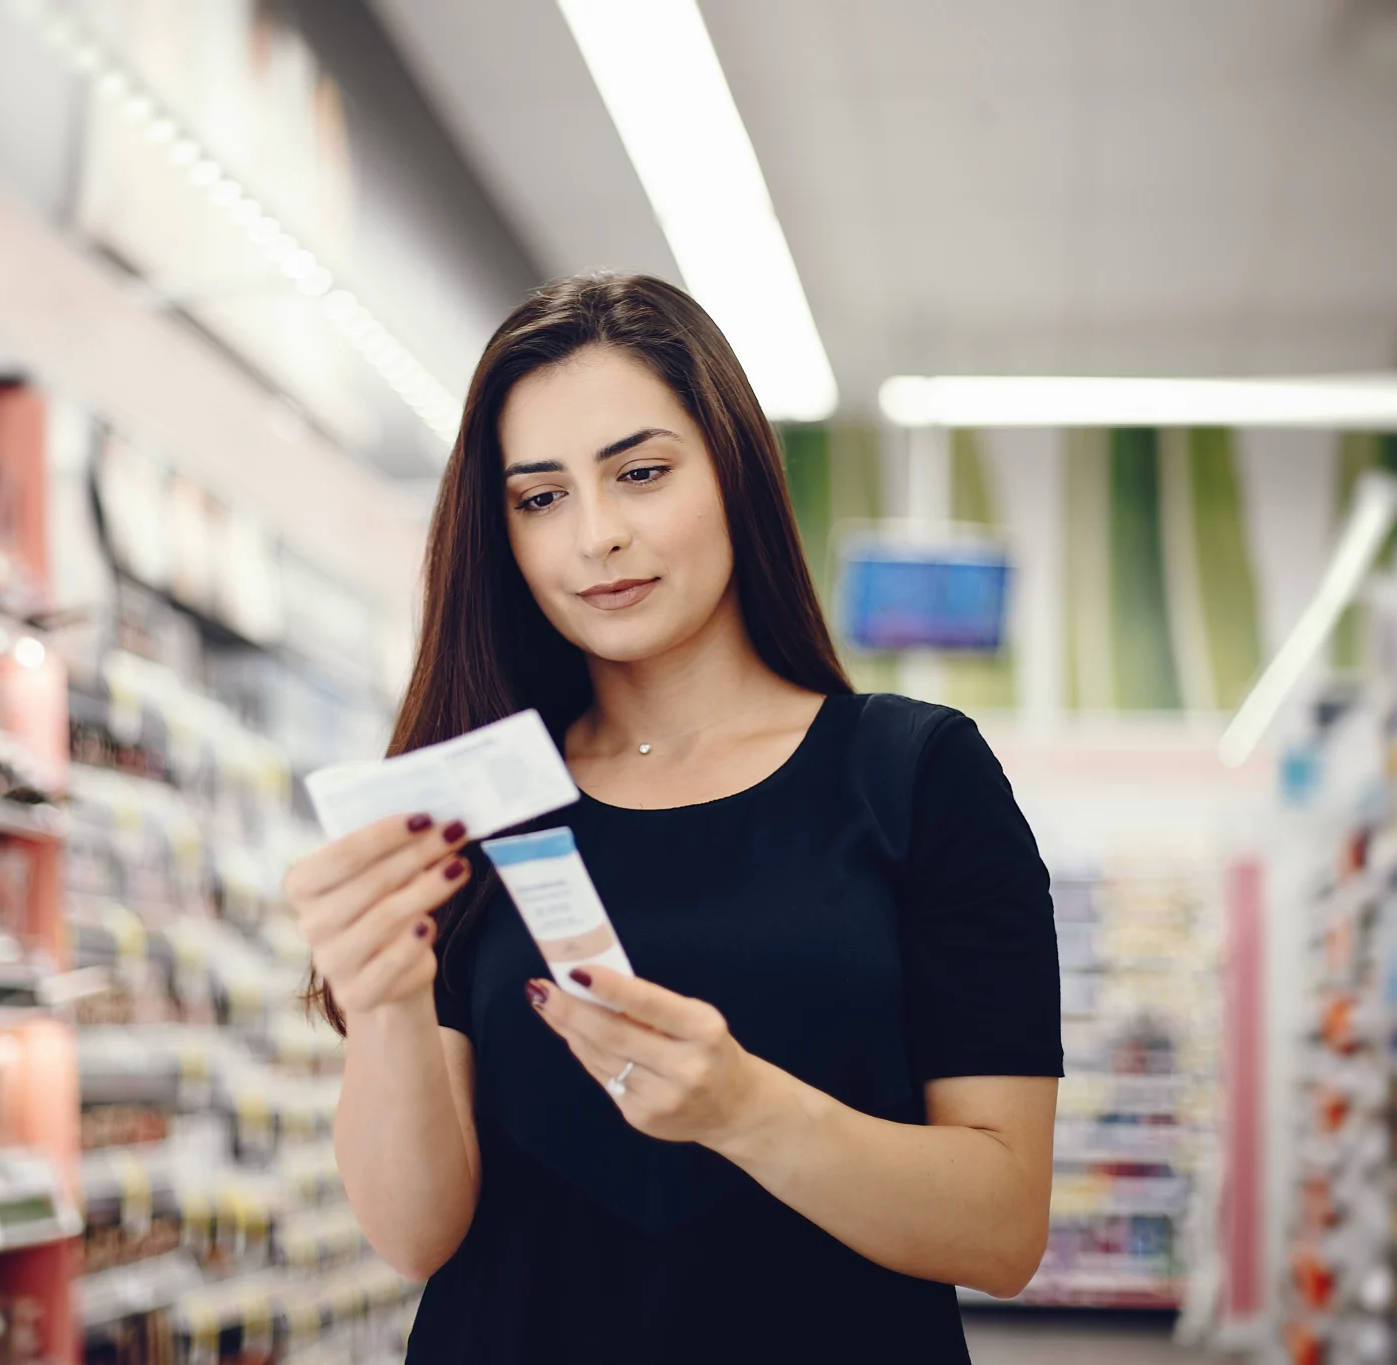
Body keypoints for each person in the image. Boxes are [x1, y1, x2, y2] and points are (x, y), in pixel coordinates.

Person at [286, 273, 1062, 1363]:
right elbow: (415, 1235)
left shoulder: (914, 777)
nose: (594, 536)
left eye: (640, 473)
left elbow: (1000, 1228)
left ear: (734, 473)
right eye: (538, 497)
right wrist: (384, 1001)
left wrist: (741, 1106)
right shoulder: (472, 802)